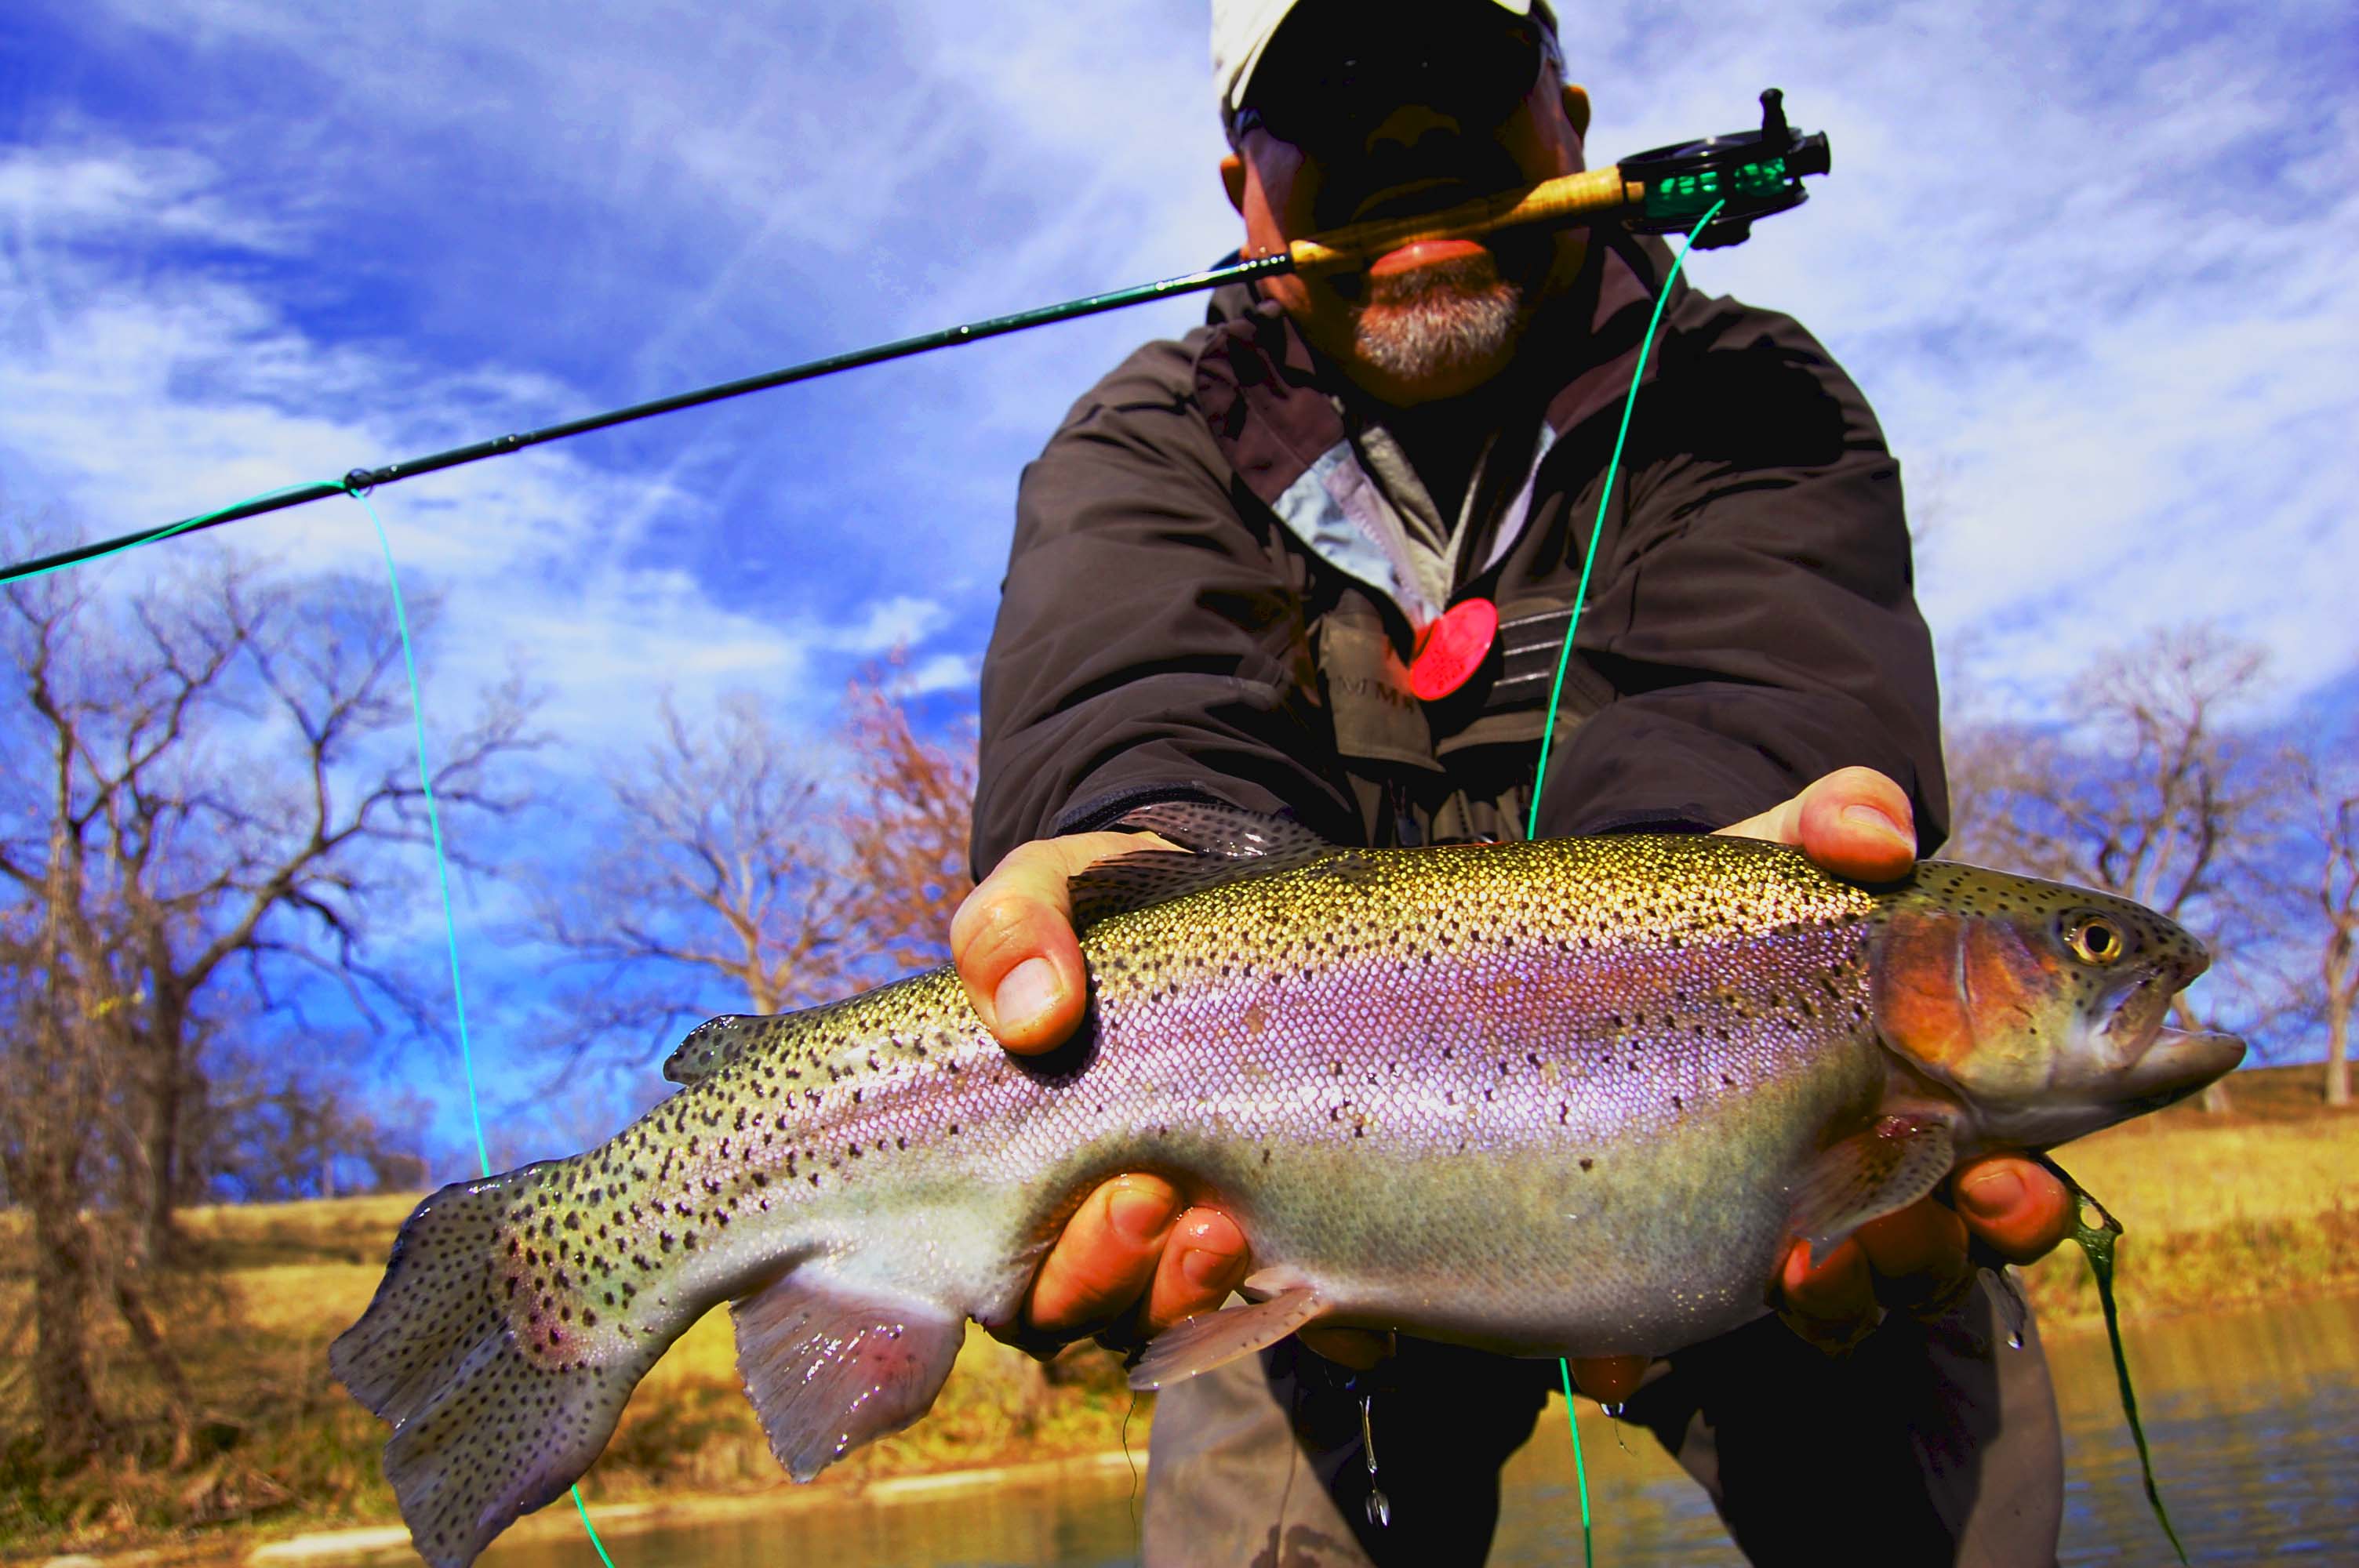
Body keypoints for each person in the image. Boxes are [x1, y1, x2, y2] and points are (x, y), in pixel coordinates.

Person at [954, 2, 2075, 1561]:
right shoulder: (1149, 443)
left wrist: (1692, 1067)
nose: (1403, 132)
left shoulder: (1745, 388)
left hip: (1746, 1145)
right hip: (1275, 1204)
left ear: (1570, 111)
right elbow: (1142, 718)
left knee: (1917, 1348)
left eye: (1450, 65)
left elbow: (1743, 734)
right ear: (1242, 189)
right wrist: (1114, 858)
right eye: (1334, 87)